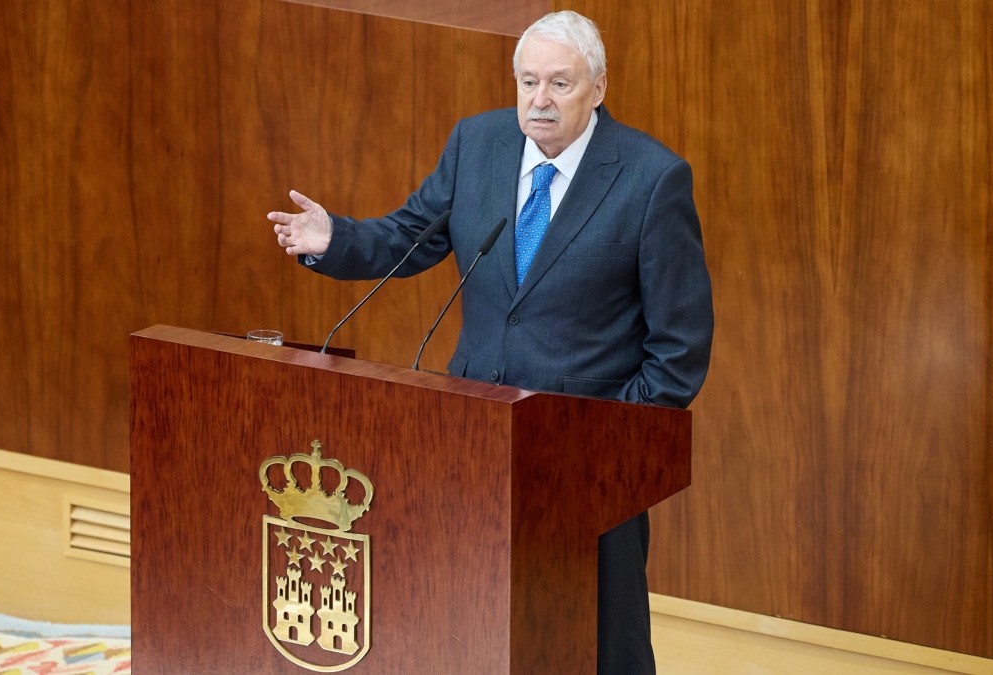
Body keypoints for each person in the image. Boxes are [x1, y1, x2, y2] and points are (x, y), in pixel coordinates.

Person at [268, 10, 712, 674]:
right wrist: (336, 240)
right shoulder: (478, 144)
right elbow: (412, 234)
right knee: (469, 620)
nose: (540, 99)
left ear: (598, 86)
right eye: (528, 81)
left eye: (560, 83)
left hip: (586, 460)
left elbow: (679, 350)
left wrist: (606, 439)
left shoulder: (651, 179)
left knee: (598, 639)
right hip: (470, 436)